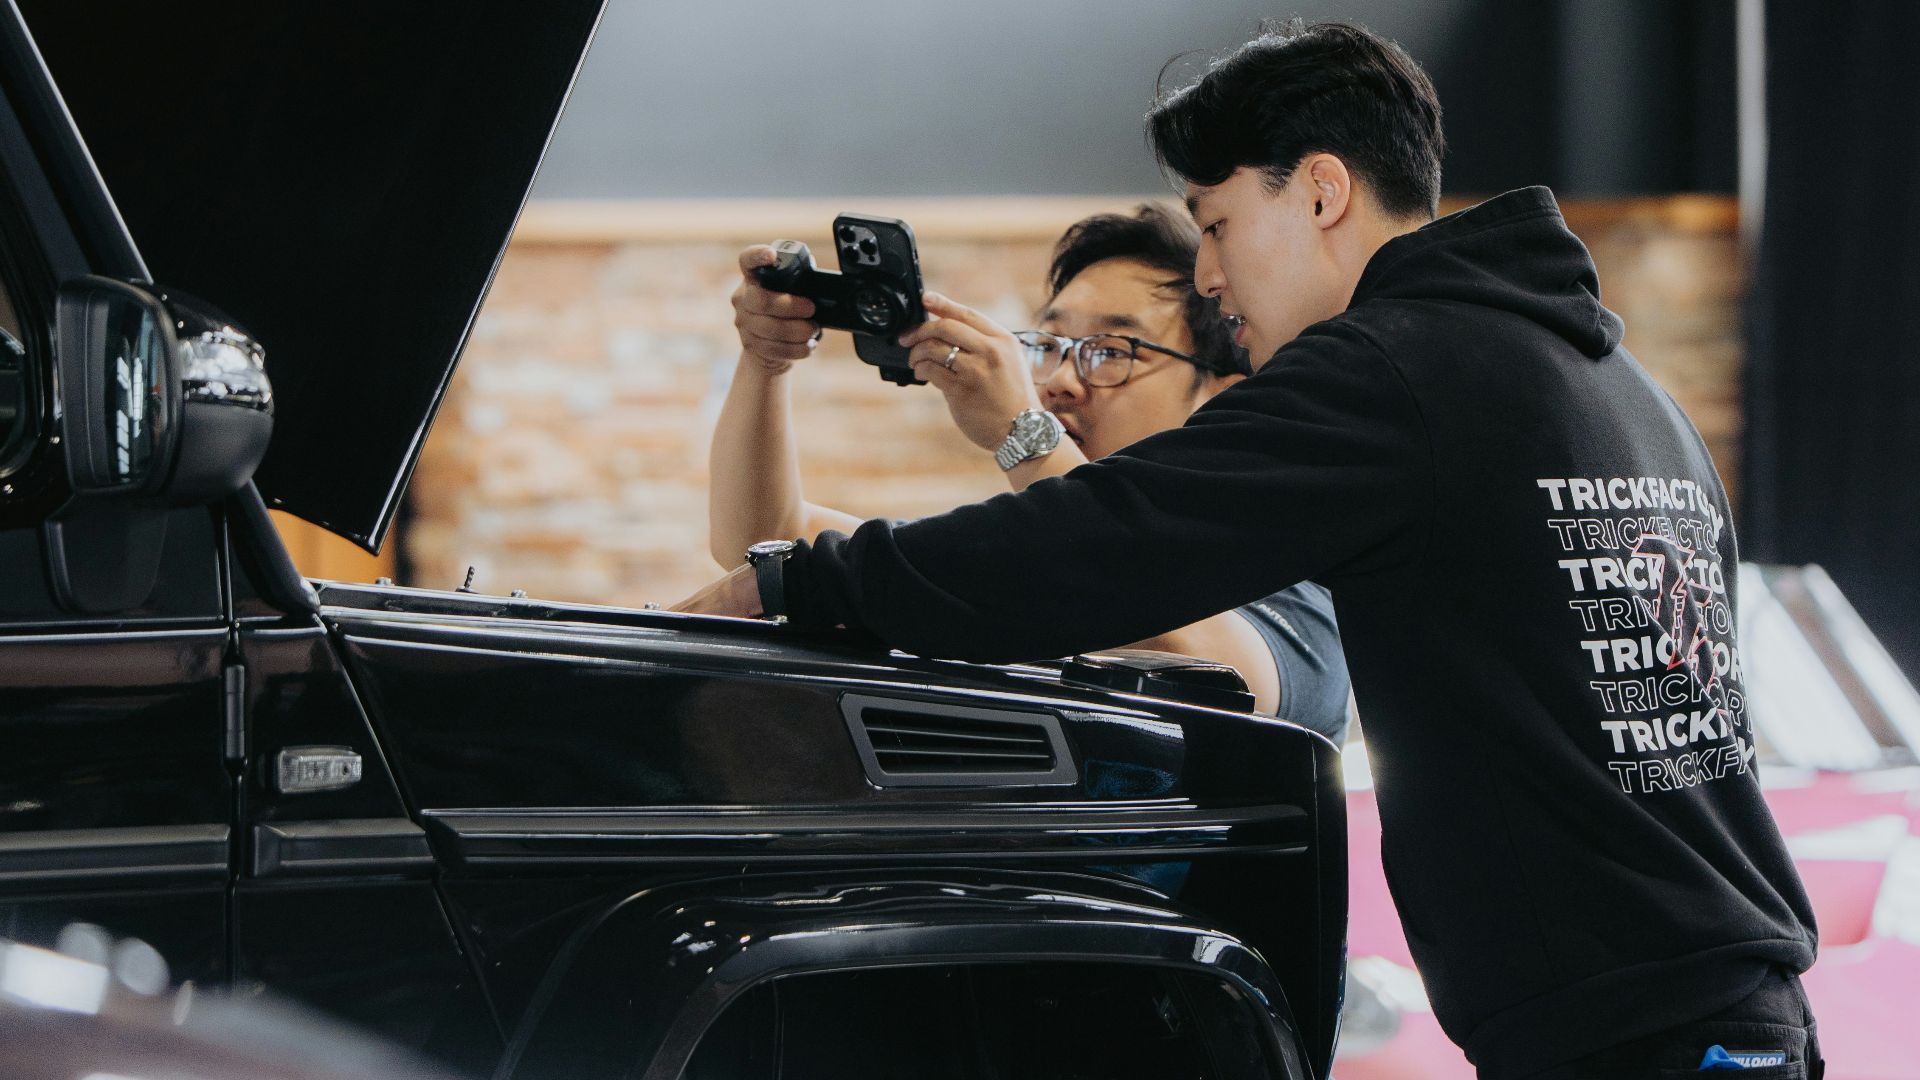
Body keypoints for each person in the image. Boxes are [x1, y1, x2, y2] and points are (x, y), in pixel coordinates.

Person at [678, 20, 1820, 1079]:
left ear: (1322, 192)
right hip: (1726, 1012)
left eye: (1217, 222)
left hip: (1636, 1035)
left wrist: (786, 584)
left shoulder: (1395, 367)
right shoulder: (1622, 392)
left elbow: (1105, 547)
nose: (1213, 275)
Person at [712, 204, 1349, 739]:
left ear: (1219, 395)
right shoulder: (1029, 552)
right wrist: (765, 363)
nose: (1059, 383)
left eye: (1110, 352)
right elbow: (764, 536)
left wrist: (1022, 431)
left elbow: (1187, 653)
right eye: (1049, 347)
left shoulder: (1290, 577)